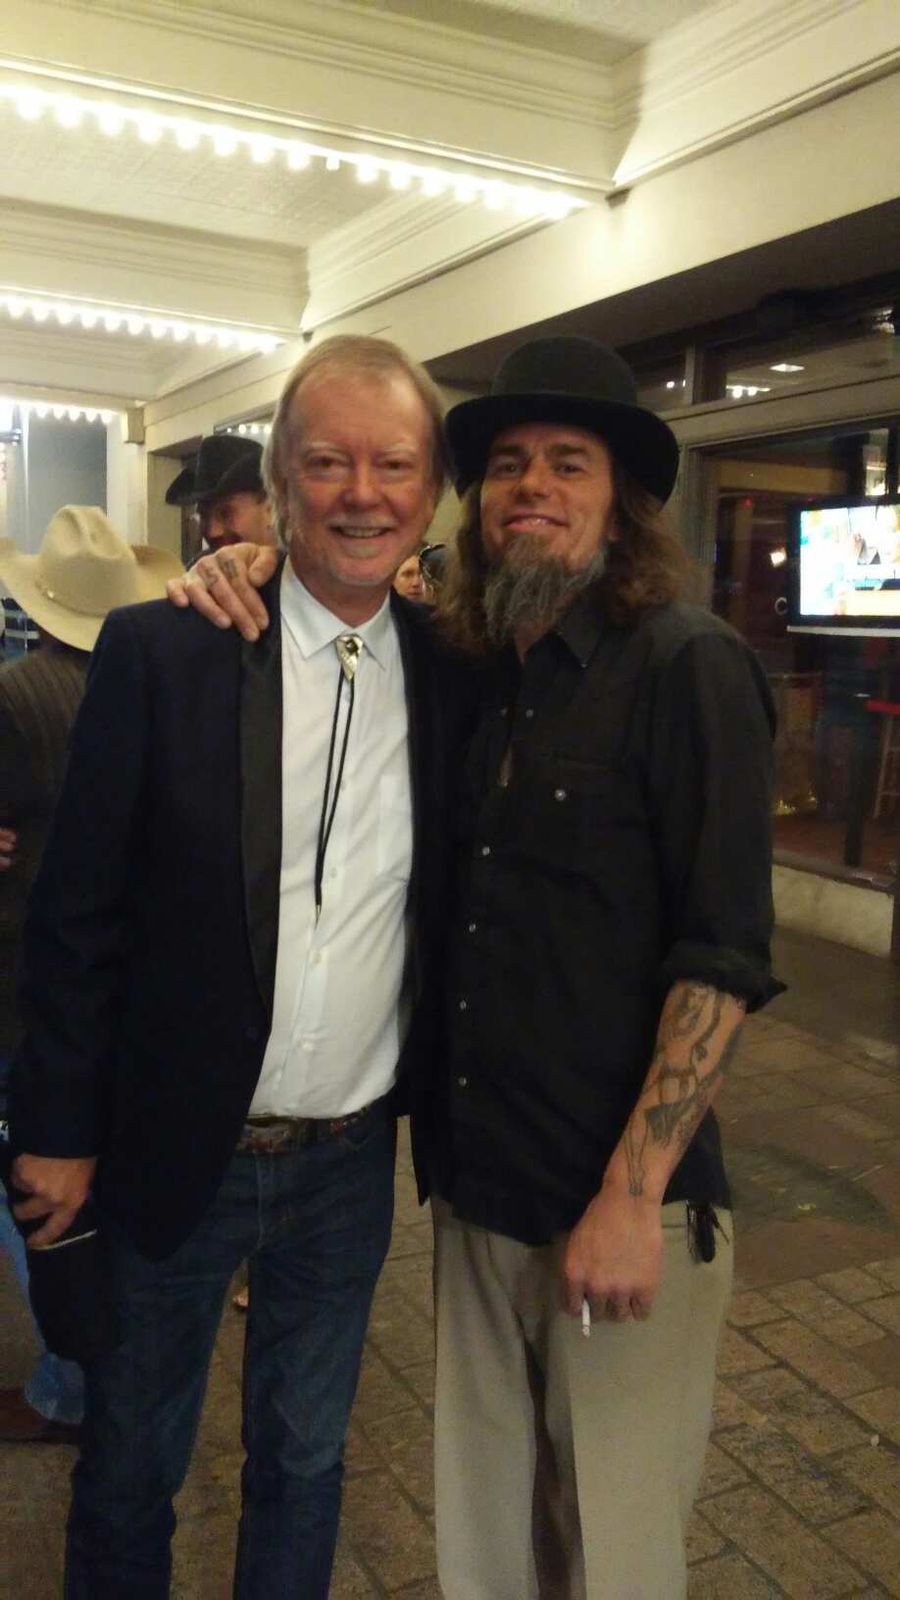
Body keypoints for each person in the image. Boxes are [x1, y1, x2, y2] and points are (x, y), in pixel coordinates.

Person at [185, 335, 780, 1600]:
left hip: (616, 1207)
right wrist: (254, 558)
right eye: (507, 464)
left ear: (623, 500)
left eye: (569, 463)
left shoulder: (688, 667)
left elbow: (724, 956)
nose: (532, 488)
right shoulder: (472, 670)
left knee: (610, 1553)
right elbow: (335, 599)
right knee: (491, 1547)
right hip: (476, 1194)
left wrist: (632, 1195)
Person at [9, 336, 474, 1598]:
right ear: (277, 484)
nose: (362, 493)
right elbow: (74, 917)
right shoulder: (165, 651)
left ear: (432, 490)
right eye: (327, 463)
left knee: (307, 1464)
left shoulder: (457, 675)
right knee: (128, 1467)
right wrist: (55, 1128)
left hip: (348, 1163)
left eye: (393, 465)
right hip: (175, 1147)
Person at [0, 507, 181, 1445]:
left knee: (31, 1181)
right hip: (133, 974)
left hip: (27, 969)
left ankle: (70, 1381)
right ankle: (106, 1359)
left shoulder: (16, 694)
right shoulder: (163, 681)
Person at [165, 432, 276, 555]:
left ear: (271, 509)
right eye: (203, 516)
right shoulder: (201, 565)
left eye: (225, 513)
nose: (212, 532)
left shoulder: (292, 565)